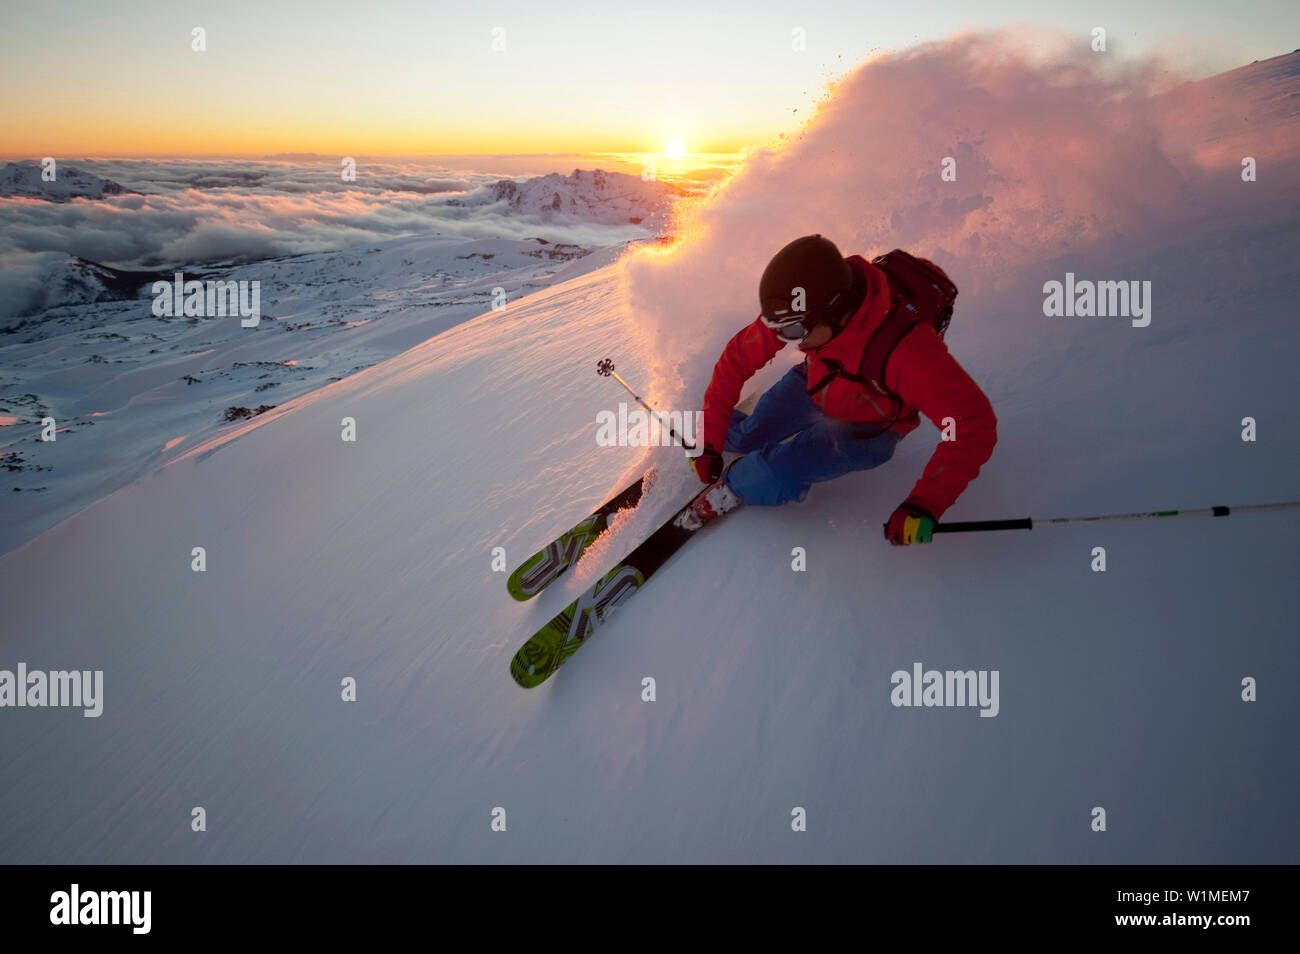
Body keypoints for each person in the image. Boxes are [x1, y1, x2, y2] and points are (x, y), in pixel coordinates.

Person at [681, 234, 997, 546]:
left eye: (792, 331)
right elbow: (737, 358)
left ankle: (737, 486)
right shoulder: (803, 304)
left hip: (869, 428)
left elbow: (973, 425)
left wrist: (925, 503)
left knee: (774, 472)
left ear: (836, 312)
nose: (789, 340)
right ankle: (734, 434)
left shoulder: (909, 352)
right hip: (819, 380)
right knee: (747, 434)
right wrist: (708, 439)